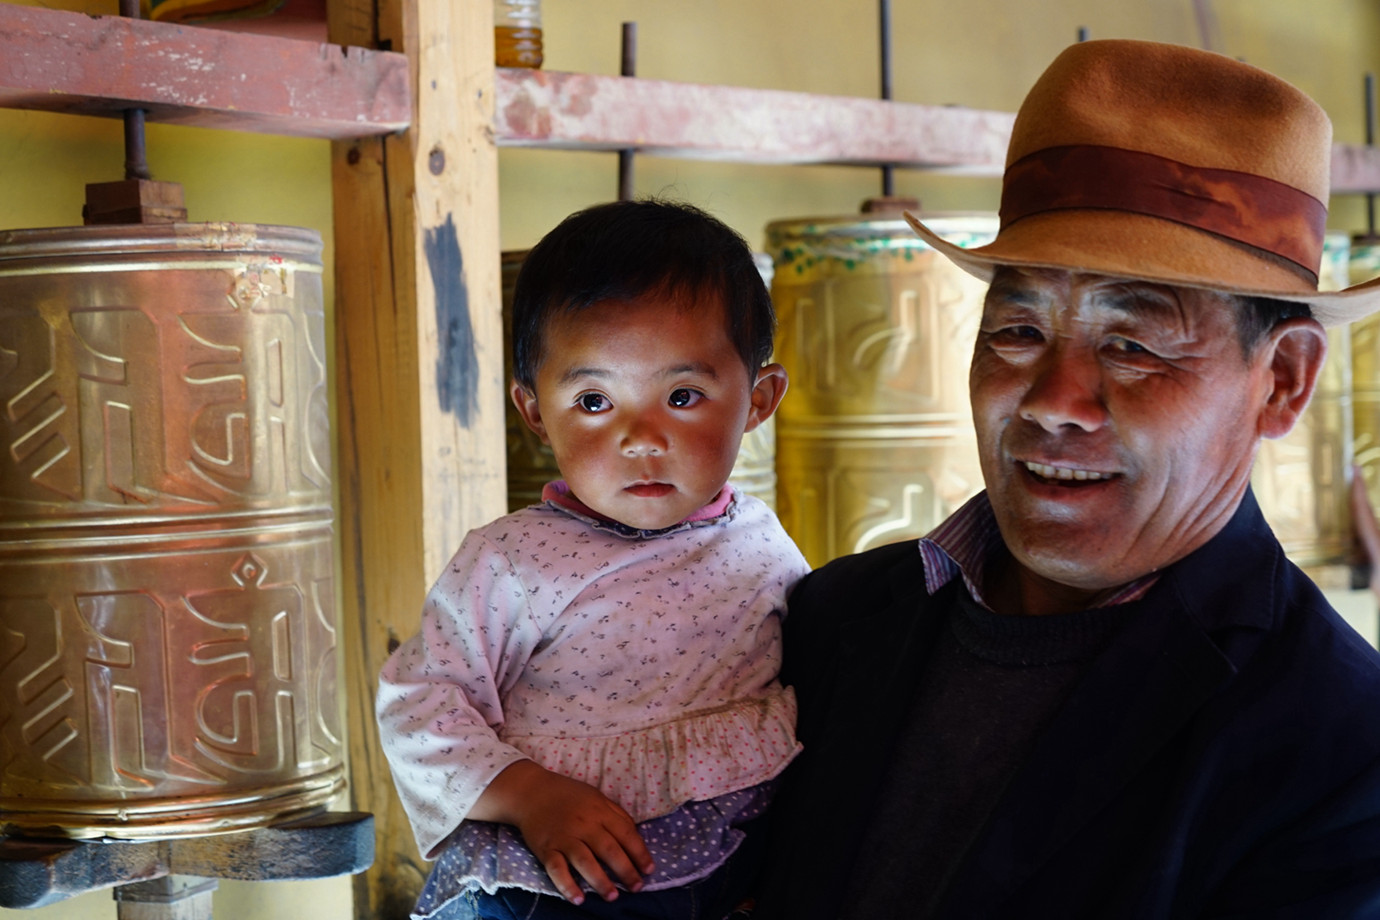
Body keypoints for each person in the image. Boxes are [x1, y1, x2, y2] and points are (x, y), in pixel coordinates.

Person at [753, 38, 1380, 919]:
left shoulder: (1339, 755)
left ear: (1282, 381)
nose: (1053, 402)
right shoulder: (830, 622)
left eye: (1133, 345)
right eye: (1017, 331)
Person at [377, 199, 810, 920]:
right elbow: (420, 708)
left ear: (758, 400)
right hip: (562, 878)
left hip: (731, 865)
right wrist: (531, 796)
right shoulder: (511, 562)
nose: (642, 438)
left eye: (682, 395)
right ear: (535, 412)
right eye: (593, 400)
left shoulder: (761, 545)